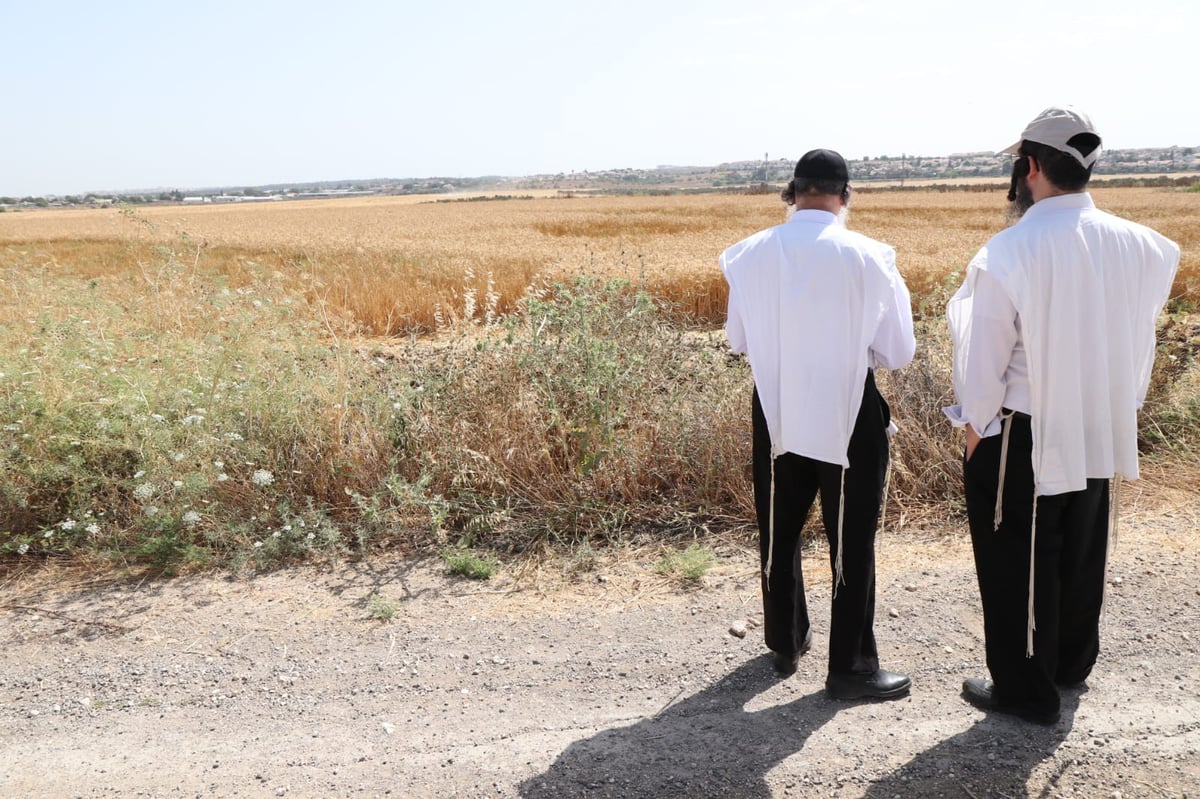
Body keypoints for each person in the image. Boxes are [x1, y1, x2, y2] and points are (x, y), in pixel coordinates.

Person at [944, 106, 1180, 724]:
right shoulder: (1142, 245)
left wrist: (975, 429)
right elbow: (1139, 337)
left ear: (1029, 167)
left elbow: (985, 356)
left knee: (1017, 558)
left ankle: (1025, 688)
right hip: (1098, 418)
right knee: (1081, 546)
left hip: (1024, 426)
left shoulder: (1008, 250)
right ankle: (1071, 663)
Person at [721, 149, 916, 700]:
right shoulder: (873, 256)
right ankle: (851, 665)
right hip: (850, 409)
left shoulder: (746, 255)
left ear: (792, 192)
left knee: (779, 529)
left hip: (777, 406)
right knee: (851, 539)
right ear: (845, 194)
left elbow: (737, 340)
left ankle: (785, 639)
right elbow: (898, 352)